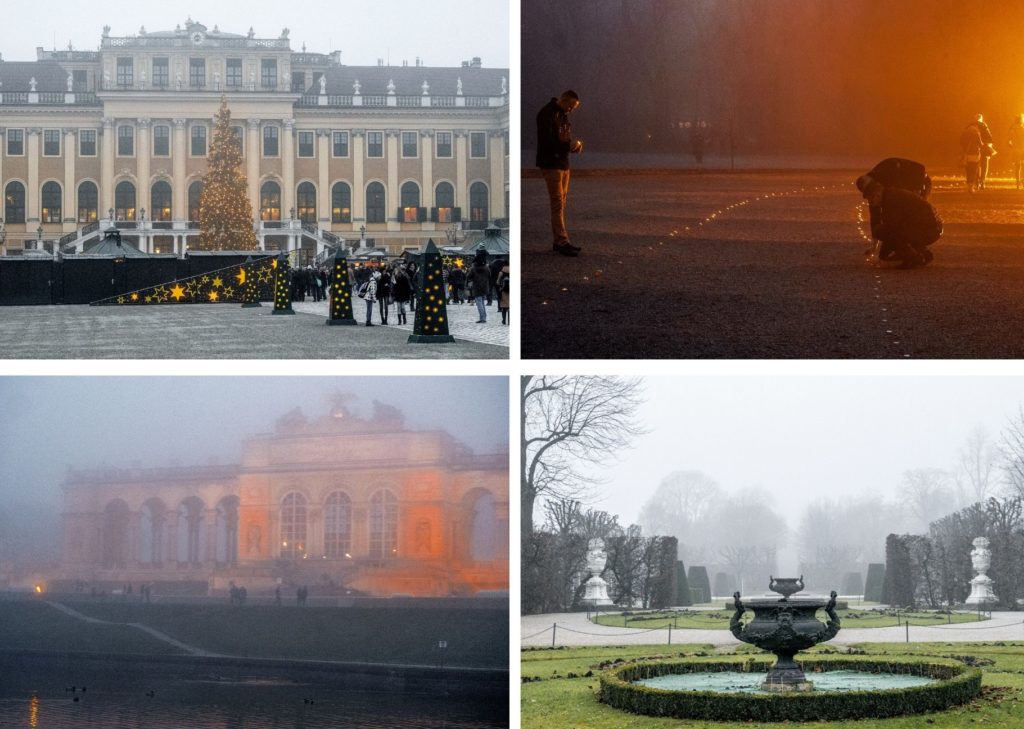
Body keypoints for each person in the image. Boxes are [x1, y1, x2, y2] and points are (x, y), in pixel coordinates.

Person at [537, 90, 584, 256]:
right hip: (551, 164)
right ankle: (562, 241)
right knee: (557, 203)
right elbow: (547, 142)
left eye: (573, 108)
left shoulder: (562, 115)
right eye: (570, 106)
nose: (571, 110)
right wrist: (567, 146)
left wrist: (573, 146)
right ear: (563, 100)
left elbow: (563, 138)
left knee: (561, 203)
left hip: (563, 163)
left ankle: (559, 240)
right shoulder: (546, 114)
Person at [859, 178, 943, 268]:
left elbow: (892, 230)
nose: (871, 202)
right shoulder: (891, 194)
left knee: (880, 231)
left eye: (871, 198)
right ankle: (923, 253)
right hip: (933, 228)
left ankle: (912, 258)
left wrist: (882, 256)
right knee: (895, 230)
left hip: (929, 230)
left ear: (877, 193)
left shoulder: (891, 201)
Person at [960, 120, 984, 193]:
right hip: (975, 153)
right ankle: (971, 187)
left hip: (967, 154)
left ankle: (968, 185)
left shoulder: (965, 132)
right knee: (974, 170)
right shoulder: (976, 132)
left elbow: (961, 141)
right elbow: (980, 143)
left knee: (968, 170)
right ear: (976, 126)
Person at [974, 114, 996, 189]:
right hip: (984, 148)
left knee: (976, 165)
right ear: (981, 119)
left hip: (975, 148)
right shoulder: (984, 125)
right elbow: (990, 138)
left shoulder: (971, 126)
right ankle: (983, 181)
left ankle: (977, 182)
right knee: (984, 166)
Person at [1010, 114, 1024, 189]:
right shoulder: (1023, 128)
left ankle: (1017, 183)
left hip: (1015, 149)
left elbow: (1009, 140)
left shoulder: (1012, 129)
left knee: (1017, 167)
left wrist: (1012, 145)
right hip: (1023, 148)